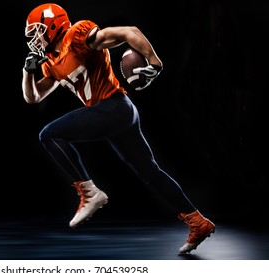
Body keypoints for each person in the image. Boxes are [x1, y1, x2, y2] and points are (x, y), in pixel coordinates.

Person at [22, 3, 215, 254]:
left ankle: (90, 193)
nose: (34, 38)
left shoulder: (78, 36)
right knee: (150, 172)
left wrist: (155, 62)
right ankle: (198, 221)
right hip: (118, 113)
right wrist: (28, 72)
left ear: (53, 25)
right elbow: (33, 97)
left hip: (113, 107)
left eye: (37, 31)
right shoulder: (52, 61)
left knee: (49, 134)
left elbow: (128, 32)